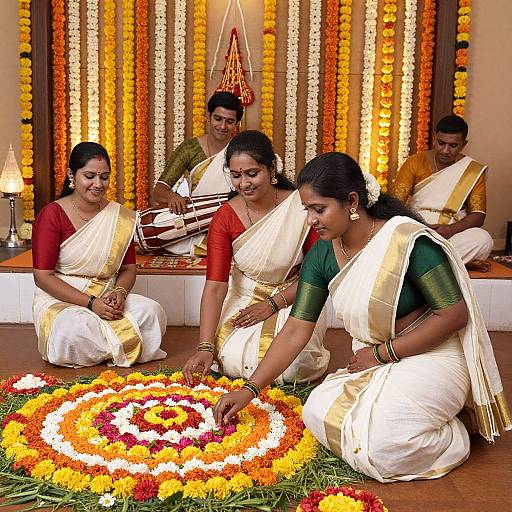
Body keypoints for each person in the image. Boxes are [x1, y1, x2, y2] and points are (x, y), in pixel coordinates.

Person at [214, 152, 511, 483]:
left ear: (351, 201)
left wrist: (383, 354)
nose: (310, 219)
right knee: (316, 410)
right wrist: (251, 388)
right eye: (306, 210)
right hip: (375, 358)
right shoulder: (323, 254)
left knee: (382, 446)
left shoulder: (405, 240)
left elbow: (454, 314)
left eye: (319, 209)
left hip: (432, 352)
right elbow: (296, 328)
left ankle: (460, 427)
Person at [183, 131, 329, 385]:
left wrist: (272, 304)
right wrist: (205, 346)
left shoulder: (300, 207)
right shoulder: (225, 216)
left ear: (271, 167)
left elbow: (317, 276)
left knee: (294, 365)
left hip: (297, 295)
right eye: (236, 175)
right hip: (245, 297)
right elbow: (216, 287)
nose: (244, 183)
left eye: (252, 174)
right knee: (229, 357)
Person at [32, 142, 167, 367]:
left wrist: (120, 293)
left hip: (107, 294)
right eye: (90, 176)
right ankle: (118, 347)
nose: (98, 184)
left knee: (152, 312)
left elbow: (128, 269)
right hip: (62, 299)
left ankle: (101, 349)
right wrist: (91, 303)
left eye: (104, 177)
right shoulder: (52, 215)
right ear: (71, 175)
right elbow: (42, 276)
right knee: (72, 330)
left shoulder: (119, 216)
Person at [391, 115, 493, 265]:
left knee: (483, 239)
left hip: (452, 233)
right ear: (434, 138)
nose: (445, 150)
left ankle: (421, 264)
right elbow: (395, 204)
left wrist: (450, 230)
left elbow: (478, 215)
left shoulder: (472, 170)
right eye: (441, 143)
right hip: (418, 226)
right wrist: (419, 226)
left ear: (463, 144)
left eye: (453, 146)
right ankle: (452, 263)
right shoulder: (415, 162)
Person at [151, 91, 244, 255]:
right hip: (198, 223)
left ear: (237, 123)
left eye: (229, 121)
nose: (223, 126)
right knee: (166, 236)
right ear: (208, 116)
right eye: (218, 119)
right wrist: (172, 197)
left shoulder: (242, 150)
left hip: (234, 220)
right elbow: (159, 191)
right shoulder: (190, 149)